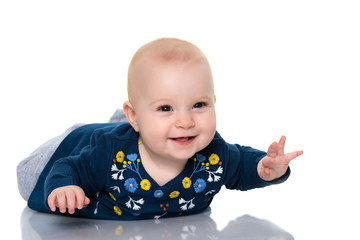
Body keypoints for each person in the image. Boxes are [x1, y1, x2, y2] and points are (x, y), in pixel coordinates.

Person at [17, 38, 303, 220]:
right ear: (135, 116)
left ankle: (134, 120)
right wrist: (65, 187)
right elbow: (70, 166)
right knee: (30, 175)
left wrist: (266, 168)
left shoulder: (214, 152)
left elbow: (242, 165)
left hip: (136, 129)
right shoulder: (109, 154)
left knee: (148, 129)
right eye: (166, 108)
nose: (186, 122)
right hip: (73, 145)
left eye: (198, 105)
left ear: (214, 102)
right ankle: (116, 124)